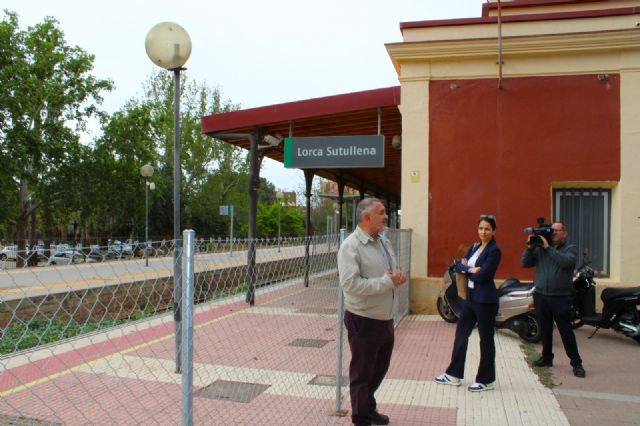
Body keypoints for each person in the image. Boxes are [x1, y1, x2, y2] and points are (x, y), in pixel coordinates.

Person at [337, 197, 407, 426]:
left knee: (379, 369)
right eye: (382, 212)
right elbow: (350, 285)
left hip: (385, 317)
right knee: (362, 373)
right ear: (367, 217)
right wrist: (387, 283)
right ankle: (360, 418)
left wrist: (397, 278)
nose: (386, 216)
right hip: (363, 319)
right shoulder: (350, 246)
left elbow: (389, 273)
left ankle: (367, 407)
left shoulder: (383, 242)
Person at [435, 214, 502, 392]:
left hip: (486, 301)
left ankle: (485, 380)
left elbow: (484, 275)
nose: (483, 231)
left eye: (487, 228)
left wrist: (468, 269)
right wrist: (470, 268)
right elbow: (458, 266)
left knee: (485, 340)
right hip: (471, 299)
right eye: (481, 228)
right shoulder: (474, 247)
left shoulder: (494, 251)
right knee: (461, 334)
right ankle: (454, 374)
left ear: (493, 231)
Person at [521, 222, 585, 378]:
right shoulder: (540, 249)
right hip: (541, 295)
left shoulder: (571, 249)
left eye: (557, 231)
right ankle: (547, 357)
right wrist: (529, 248)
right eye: (552, 231)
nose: (554, 233)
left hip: (560, 297)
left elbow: (565, 262)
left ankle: (576, 363)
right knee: (545, 329)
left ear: (565, 233)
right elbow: (524, 264)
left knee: (565, 331)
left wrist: (547, 247)